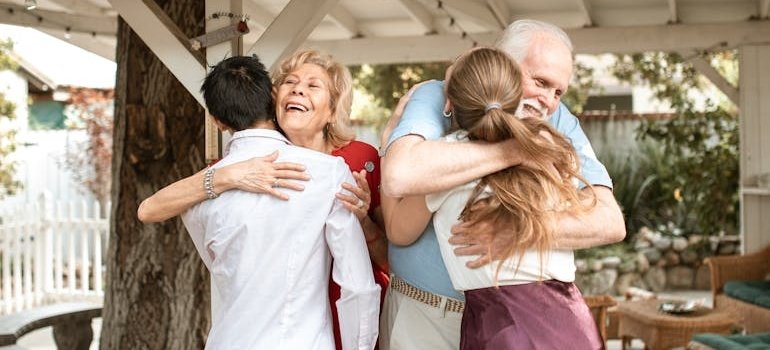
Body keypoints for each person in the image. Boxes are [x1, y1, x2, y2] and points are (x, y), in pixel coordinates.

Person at [378, 19, 625, 349]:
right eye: (540, 81)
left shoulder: (558, 123)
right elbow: (401, 175)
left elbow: (609, 221)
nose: (549, 101)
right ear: (501, 61)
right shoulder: (439, 95)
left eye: (558, 91)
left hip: (511, 324)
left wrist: (518, 230)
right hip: (427, 317)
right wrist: (514, 150)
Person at [137, 49, 389, 350]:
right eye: (291, 82)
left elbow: (217, 262)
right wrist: (228, 176)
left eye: (312, 85)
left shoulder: (201, 194)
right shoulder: (328, 173)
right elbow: (358, 287)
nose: (298, 89)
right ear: (273, 98)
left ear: (217, 121)